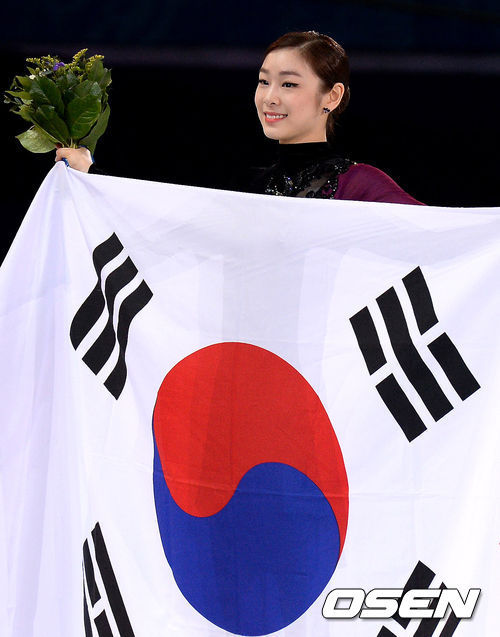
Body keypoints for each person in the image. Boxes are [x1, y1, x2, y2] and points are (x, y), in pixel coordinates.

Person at [55, 30, 423, 205]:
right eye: (264, 81)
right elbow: (166, 219)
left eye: (289, 84)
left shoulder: (360, 186)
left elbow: (440, 238)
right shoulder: (246, 184)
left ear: (332, 95)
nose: (270, 97)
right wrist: (91, 175)